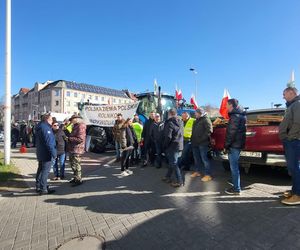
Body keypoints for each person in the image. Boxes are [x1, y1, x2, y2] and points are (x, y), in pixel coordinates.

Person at [279, 87, 300, 205]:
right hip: (290, 141)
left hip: (293, 141)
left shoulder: (297, 104)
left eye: (284, 94)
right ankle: (295, 190)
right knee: (292, 168)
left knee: (294, 168)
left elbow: (298, 122)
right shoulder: (292, 105)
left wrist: (290, 137)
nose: (283, 96)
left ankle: (298, 195)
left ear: (291, 93)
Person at [224, 99, 246, 195]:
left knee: (234, 167)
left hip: (234, 145)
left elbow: (231, 133)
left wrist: (226, 145)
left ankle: (236, 189)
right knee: (234, 166)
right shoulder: (240, 115)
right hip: (237, 144)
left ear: (231, 105)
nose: (226, 107)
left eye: (227, 105)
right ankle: (235, 182)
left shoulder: (235, 116)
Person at [35, 113, 57, 195]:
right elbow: (49, 143)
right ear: (47, 119)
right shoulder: (45, 128)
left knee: (40, 170)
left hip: (41, 152)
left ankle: (39, 186)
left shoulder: (40, 126)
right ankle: (43, 188)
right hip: (46, 153)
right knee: (45, 171)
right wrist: (54, 154)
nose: (52, 121)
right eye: (51, 119)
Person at [162, 108, 184, 187]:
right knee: (173, 162)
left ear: (170, 114)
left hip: (172, 146)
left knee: (174, 163)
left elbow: (168, 137)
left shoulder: (170, 123)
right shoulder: (181, 122)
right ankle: (167, 176)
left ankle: (180, 181)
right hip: (179, 145)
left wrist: (164, 145)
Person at [191, 108, 213, 182]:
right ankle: (198, 172)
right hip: (195, 143)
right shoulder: (196, 120)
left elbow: (209, 131)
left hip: (203, 143)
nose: (195, 114)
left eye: (196, 113)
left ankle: (208, 175)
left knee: (204, 159)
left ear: (200, 113)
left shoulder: (206, 119)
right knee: (196, 159)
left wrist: (201, 139)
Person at [67, 114, 87, 186]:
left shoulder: (81, 126)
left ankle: (78, 180)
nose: (71, 121)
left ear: (76, 119)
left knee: (76, 164)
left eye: (72, 119)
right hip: (73, 148)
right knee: (73, 164)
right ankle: (75, 178)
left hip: (77, 149)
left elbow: (80, 139)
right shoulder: (75, 125)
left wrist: (69, 138)